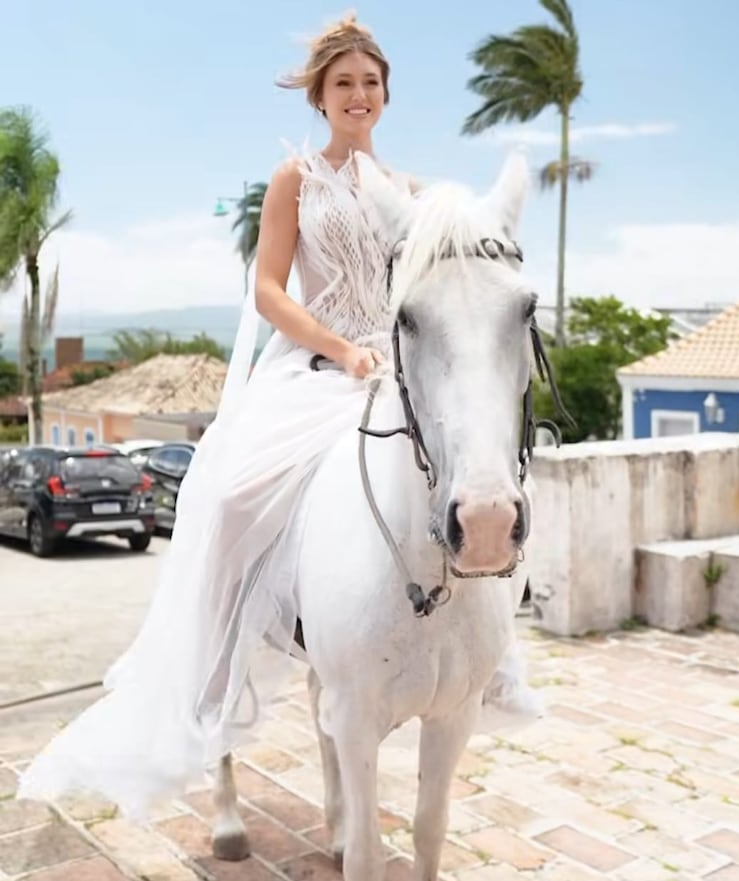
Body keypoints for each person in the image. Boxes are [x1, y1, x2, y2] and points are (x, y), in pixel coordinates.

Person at [18, 14, 540, 821]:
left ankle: (486, 661)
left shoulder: (410, 194)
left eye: (370, 82)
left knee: (463, 469)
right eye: (344, 84)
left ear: (384, 93)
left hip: (392, 371)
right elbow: (267, 290)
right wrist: (338, 346)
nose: (358, 96)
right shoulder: (295, 178)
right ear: (321, 95)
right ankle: (218, 690)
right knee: (228, 501)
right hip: (316, 366)